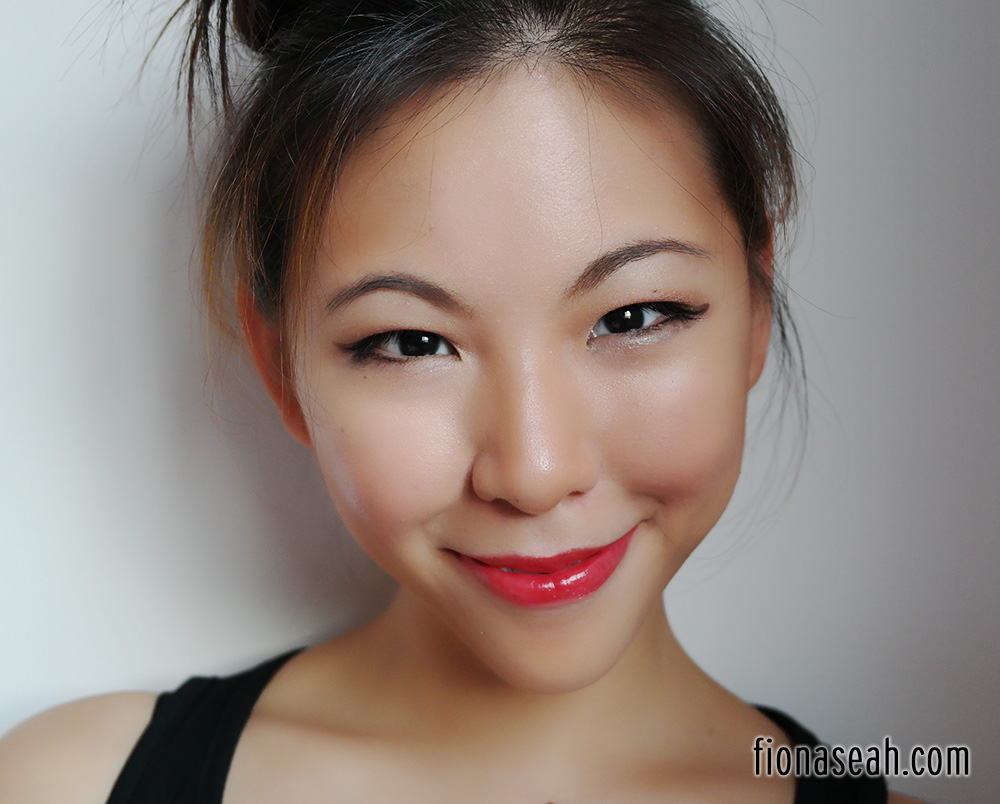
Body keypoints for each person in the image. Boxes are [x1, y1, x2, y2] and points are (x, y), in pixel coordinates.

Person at [0, 1, 928, 802]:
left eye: (635, 316)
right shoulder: (75, 786)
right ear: (282, 368)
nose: (534, 472)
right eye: (412, 343)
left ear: (757, 303)